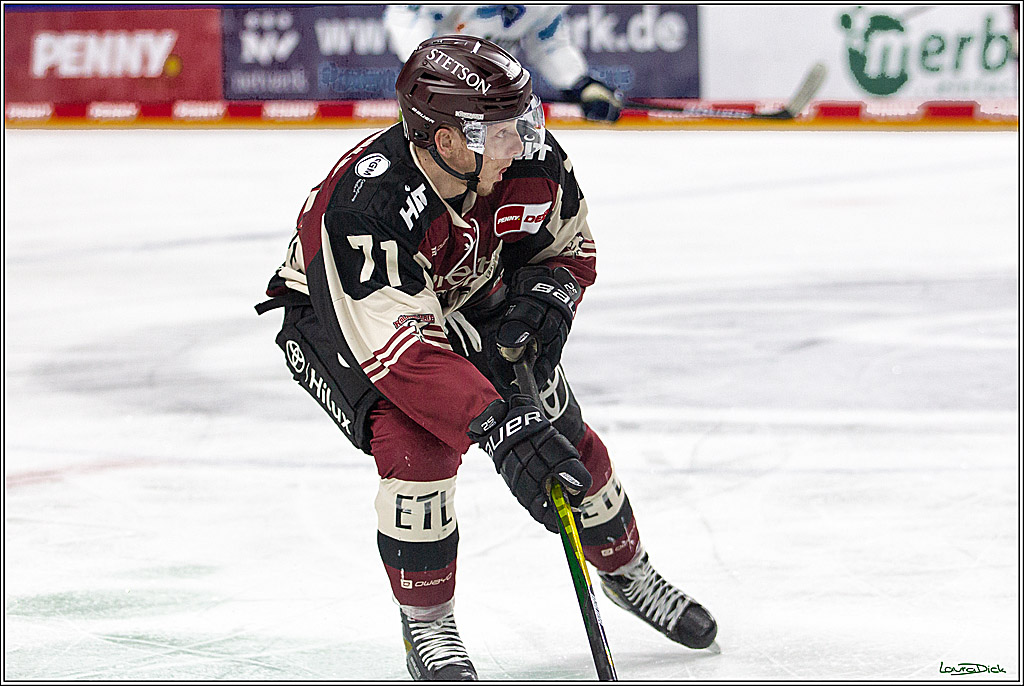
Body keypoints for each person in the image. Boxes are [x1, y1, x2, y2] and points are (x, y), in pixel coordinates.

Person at [257, 36, 715, 681]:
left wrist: (547, 302)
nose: (524, 141)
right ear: (447, 140)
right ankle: (428, 624)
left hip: (461, 291)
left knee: (555, 426)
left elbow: (568, 249)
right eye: (502, 129)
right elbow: (405, 355)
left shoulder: (528, 162)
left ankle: (627, 570)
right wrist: (500, 427)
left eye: (523, 120)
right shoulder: (368, 208)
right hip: (340, 320)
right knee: (417, 442)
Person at [384, 5, 624, 123]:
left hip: (494, 98)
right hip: (436, 92)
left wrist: (581, 85)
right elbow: (404, 16)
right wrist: (432, 69)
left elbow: (548, 44)